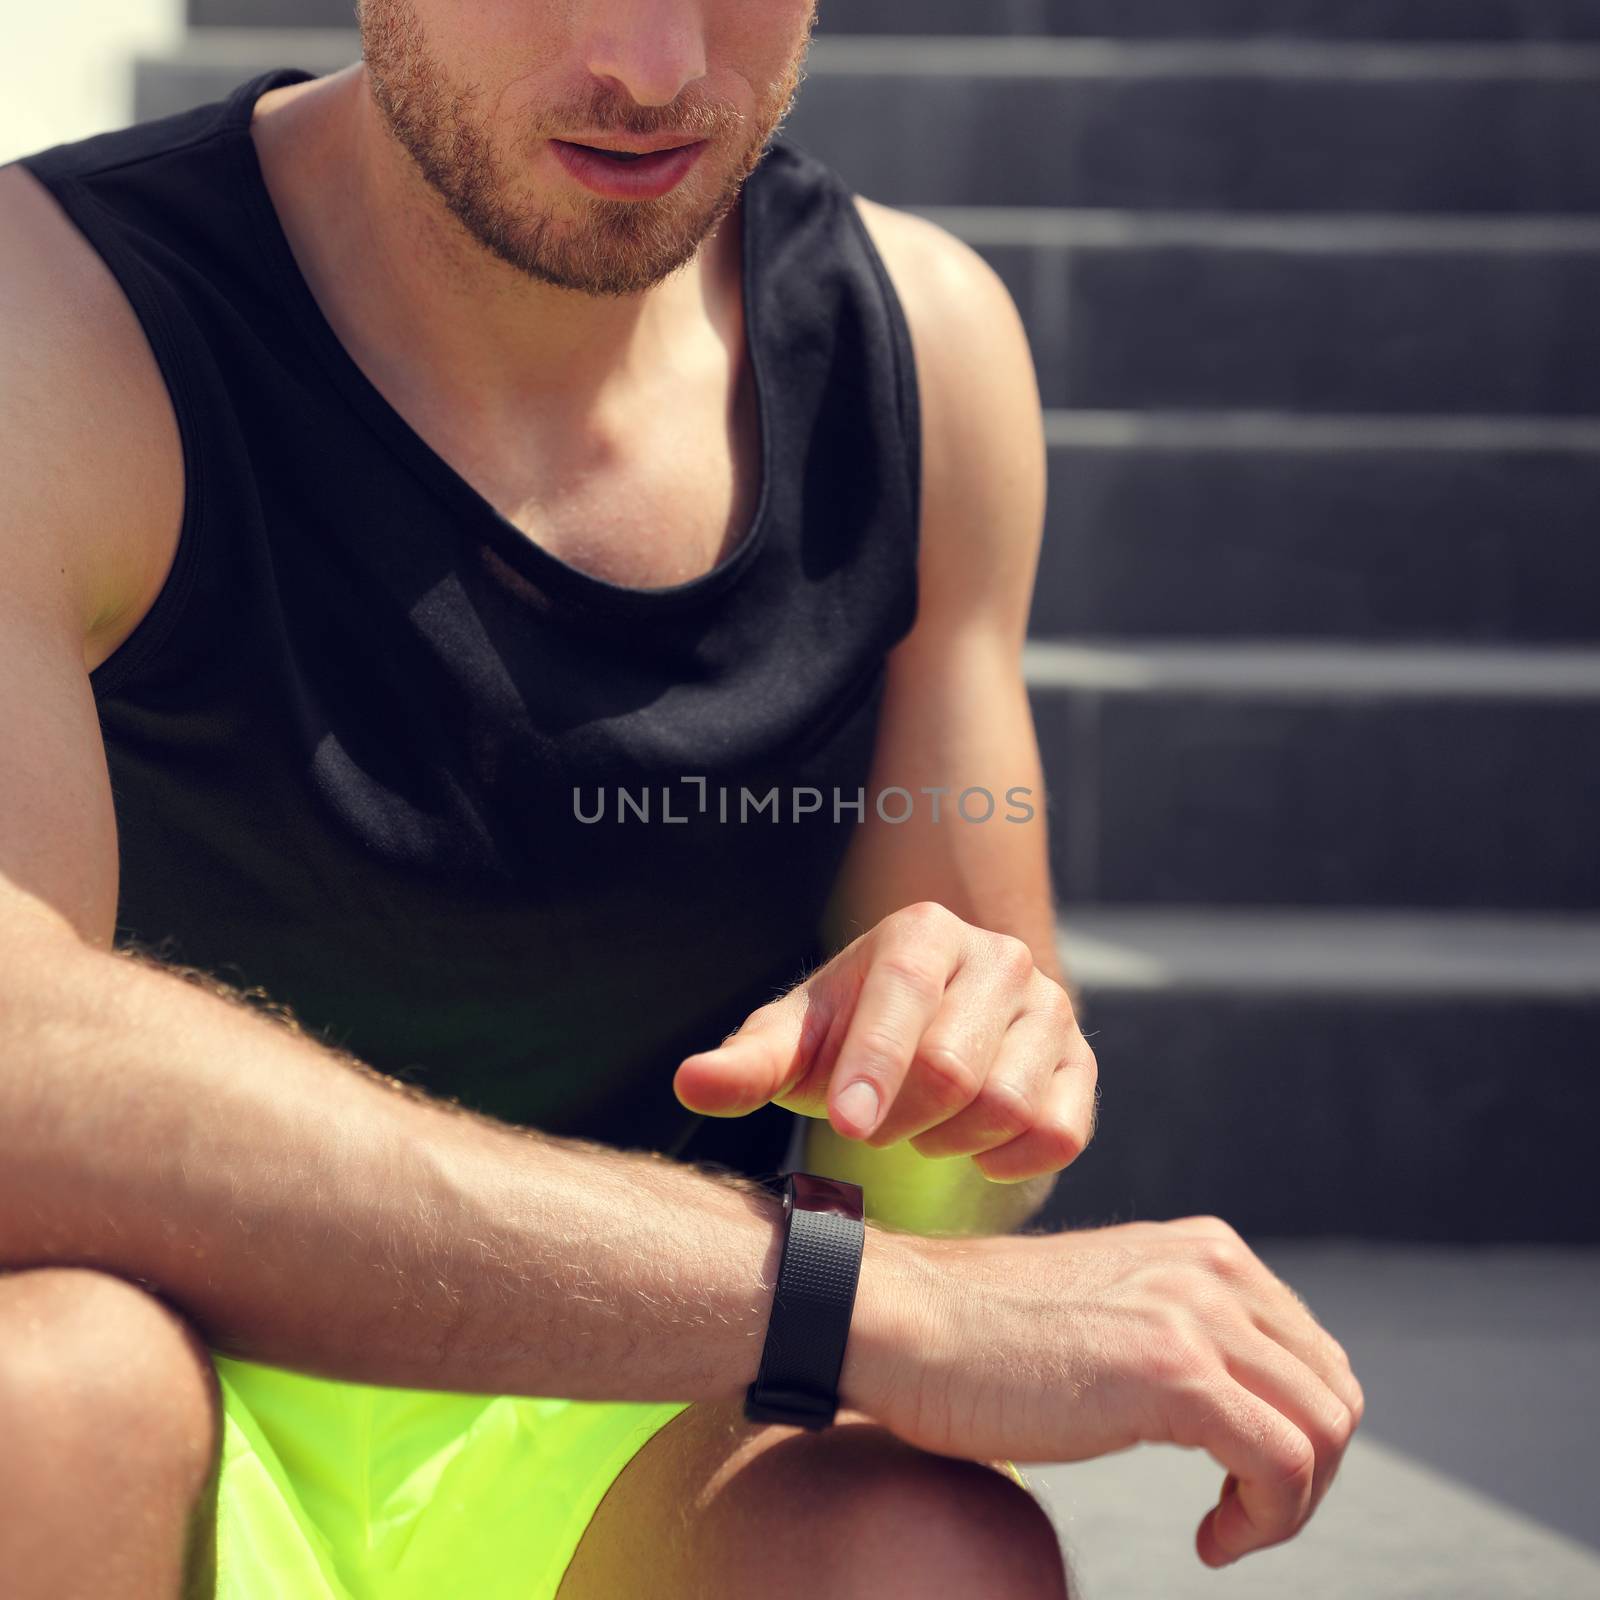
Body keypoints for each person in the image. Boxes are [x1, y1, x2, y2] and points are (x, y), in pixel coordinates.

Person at [0, 3, 1364, 1596]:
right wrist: (848, 1303)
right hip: (159, 1359)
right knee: (45, 1401)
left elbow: (962, 1186)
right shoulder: (55, 319)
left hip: (624, 1421)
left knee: (921, 1555)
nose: (653, 70)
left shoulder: (916, 344)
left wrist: (955, 1066)